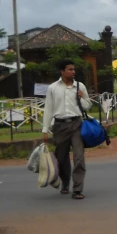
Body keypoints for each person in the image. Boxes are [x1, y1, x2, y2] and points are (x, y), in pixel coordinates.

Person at [42, 59, 93, 199]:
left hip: (77, 124)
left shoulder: (80, 86)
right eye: (70, 69)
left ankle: (77, 189)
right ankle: (65, 182)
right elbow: (48, 109)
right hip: (59, 126)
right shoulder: (53, 88)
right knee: (61, 158)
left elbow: (88, 106)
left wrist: (81, 98)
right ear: (62, 71)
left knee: (79, 157)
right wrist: (45, 129)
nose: (73, 72)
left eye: (74, 69)